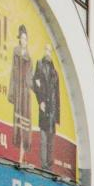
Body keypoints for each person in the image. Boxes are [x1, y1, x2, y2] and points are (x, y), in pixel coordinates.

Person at [7, 25, 34, 166]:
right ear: (20, 40)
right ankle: (18, 157)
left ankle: (22, 157)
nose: (24, 41)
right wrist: (11, 92)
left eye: (26, 38)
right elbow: (13, 71)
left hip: (26, 95)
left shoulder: (30, 58)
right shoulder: (16, 52)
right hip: (18, 92)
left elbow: (30, 78)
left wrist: (34, 86)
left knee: (25, 125)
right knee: (18, 124)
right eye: (22, 38)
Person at [32, 43, 61, 172]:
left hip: (53, 108)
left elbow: (57, 93)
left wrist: (57, 113)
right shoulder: (39, 64)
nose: (48, 53)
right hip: (44, 105)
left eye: (50, 50)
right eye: (46, 50)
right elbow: (35, 82)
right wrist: (41, 100)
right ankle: (43, 164)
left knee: (51, 138)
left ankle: (49, 165)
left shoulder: (55, 72)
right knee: (44, 135)